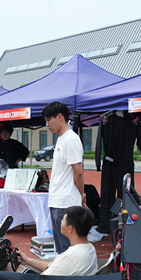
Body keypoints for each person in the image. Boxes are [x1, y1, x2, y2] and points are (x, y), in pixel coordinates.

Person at [42, 102, 85, 254]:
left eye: (49, 120)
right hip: (57, 201)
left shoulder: (71, 139)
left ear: (60, 117)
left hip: (66, 203)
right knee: (61, 249)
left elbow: (78, 172)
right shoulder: (61, 138)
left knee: (68, 249)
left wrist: (81, 193)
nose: (47, 124)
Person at [14, 206, 98, 276]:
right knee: (16, 267)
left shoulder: (68, 257)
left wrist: (49, 267)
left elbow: (43, 277)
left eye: (63, 220)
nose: (60, 222)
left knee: (10, 268)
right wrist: (27, 260)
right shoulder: (90, 248)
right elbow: (54, 267)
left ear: (70, 229)